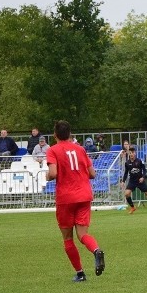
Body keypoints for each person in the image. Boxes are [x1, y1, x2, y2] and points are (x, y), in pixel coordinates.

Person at [45, 120, 105, 283]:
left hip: (66, 198)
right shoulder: (80, 149)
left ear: (55, 135)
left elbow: (53, 173)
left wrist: (47, 176)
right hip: (84, 195)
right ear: (70, 134)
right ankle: (96, 250)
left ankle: (80, 273)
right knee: (83, 234)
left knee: (68, 238)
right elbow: (92, 174)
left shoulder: (52, 150)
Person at [122, 146, 147, 214]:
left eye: (132, 153)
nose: (131, 154)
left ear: (135, 153)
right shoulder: (127, 163)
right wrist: (123, 181)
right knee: (127, 194)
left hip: (140, 181)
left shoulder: (139, 161)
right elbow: (126, 173)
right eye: (130, 153)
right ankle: (132, 207)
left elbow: (144, 170)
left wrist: (143, 177)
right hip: (132, 181)